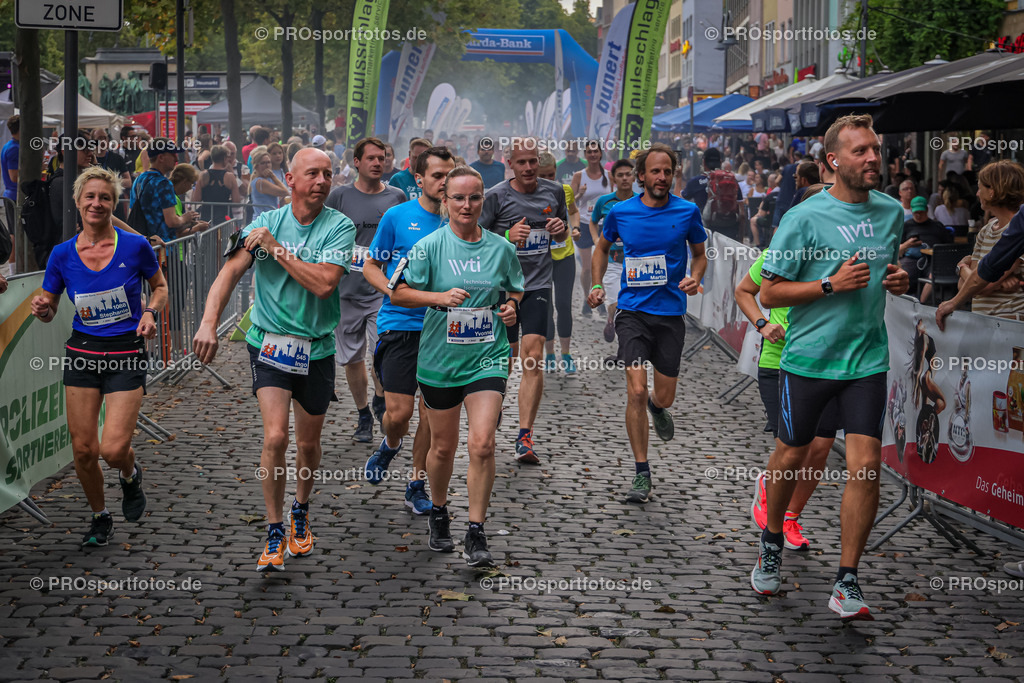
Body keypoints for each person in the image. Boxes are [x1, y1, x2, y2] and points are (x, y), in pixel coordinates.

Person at [752, 114, 910, 621]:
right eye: (860, 151)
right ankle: (772, 539)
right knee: (790, 458)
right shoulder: (804, 218)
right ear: (833, 161)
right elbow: (769, 290)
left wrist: (897, 279)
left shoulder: (891, 212)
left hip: (867, 360)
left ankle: (847, 581)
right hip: (808, 362)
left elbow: (883, 268)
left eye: (875, 150)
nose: (872, 159)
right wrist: (828, 285)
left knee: (866, 467)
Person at [193, 148, 356, 573]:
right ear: (290, 179)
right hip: (268, 344)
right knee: (275, 438)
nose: (322, 180)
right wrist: (209, 322)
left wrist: (278, 250)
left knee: (307, 443)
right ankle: (273, 527)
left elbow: (323, 284)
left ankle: (301, 509)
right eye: (313, 173)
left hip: (317, 346)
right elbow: (227, 275)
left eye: (327, 173)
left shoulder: (339, 227)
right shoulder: (261, 224)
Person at [391, 165, 524, 566]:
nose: (468, 205)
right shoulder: (429, 246)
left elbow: (515, 286)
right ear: (445, 201)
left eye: (475, 197)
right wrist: (436, 297)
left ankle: (476, 532)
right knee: (443, 446)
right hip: (440, 361)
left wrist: (511, 307)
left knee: (482, 442)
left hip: (487, 356)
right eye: (459, 198)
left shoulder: (501, 247)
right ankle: (438, 510)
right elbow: (397, 293)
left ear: (484, 199)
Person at [31, 166, 167, 547]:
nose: (97, 203)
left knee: (112, 449)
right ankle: (99, 516)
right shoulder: (61, 255)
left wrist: (150, 312)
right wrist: (42, 308)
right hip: (82, 354)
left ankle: (129, 474)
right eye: (90, 197)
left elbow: (159, 287)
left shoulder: (134, 246)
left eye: (104, 197)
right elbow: (51, 306)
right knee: (84, 450)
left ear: (113, 204)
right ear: (77, 203)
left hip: (125, 353)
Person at [588, 143, 707, 504]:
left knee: (662, 394)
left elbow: (700, 255)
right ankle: (642, 473)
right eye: (655, 171)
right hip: (632, 312)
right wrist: (596, 285)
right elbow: (601, 249)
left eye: (667, 172)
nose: (662, 177)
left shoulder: (687, 211)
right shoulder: (621, 212)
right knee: (636, 390)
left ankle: (659, 408)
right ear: (641, 176)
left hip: (670, 314)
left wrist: (694, 277)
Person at [736, 182, 839, 552]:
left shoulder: (840, 257)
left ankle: (792, 516)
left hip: (827, 363)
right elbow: (743, 291)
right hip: (779, 362)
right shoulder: (781, 252)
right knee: (795, 447)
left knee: (822, 446)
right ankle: (773, 499)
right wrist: (763, 325)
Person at [361, 146, 457, 513]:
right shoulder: (398, 216)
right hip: (401, 325)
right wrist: (392, 291)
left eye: (450, 174)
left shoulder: (460, 219)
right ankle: (390, 444)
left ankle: (415, 483)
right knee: (398, 415)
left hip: (445, 330)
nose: (445, 182)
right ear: (419, 180)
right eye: (437, 176)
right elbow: (371, 264)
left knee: (432, 414)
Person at [480, 137, 569, 464]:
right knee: (506, 359)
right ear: (511, 164)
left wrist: (560, 231)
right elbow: (473, 242)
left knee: (533, 356)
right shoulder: (496, 197)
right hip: (501, 289)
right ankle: (493, 406)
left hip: (538, 286)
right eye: (522, 162)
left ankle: (525, 435)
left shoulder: (554, 192)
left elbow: (561, 235)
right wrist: (505, 238)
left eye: (533, 161)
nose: (529, 168)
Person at [325, 137, 406, 442]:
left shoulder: (397, 197)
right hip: (345, 291)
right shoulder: (339, 196)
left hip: (381, 291)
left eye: (382, 158)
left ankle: (380, 398)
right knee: (351, 358)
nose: (377, 163)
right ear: (356, 162)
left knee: (380, 352)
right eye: (370, 158)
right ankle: (363, 414)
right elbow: (324, 233)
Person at [939, 161, 1024, 321]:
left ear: (992, 191)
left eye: (980, 188)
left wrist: (962, 267)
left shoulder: (1018, 230)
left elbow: (980, 285)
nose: (977, 193)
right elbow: (965, 286)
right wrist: (989, 283)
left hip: (1009, 323)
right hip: (983, 323)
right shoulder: (986, 229)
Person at [537, 152, 579, 375]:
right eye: (542, 176)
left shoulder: (565, 191)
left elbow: (573, 212)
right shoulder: (530, 195)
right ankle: (550, 354)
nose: (548, 180)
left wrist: (576, 227)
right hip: (541, 259)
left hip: (565, 256)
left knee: (563, 304)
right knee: (546, 307)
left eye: (551, 175)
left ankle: (567, 353)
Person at [590, 159, 638, 345]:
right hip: (611, 261)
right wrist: (597, 240)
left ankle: (625, 347)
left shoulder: (641, 202)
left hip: (634, 263)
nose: (625, 178)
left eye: (628, 174)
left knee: (630, 307)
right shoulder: (605, 201)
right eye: (620, 175)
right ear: (613, 178)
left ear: (634, 177)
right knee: (617, 305)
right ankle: (612, 320)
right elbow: (593, 221)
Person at [128, 139, 201, 244]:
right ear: (161, 157)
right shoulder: (163, 183)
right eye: (172, 154)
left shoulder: (139, 180)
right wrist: (186, 218)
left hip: (143, 244)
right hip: (163, 248)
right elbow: (172, 221)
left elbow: (132, 211)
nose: (176, 158)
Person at [570, 140, 610, 317]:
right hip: (586, 223)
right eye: (589, 152)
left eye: (595, 151)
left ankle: (600, 297)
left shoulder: (609, 175)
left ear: (600, 154)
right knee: (587, 267)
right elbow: (571, 202)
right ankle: (588, 298)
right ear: (585, 155)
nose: (592, 155)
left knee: (602, 265)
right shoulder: (579, 176)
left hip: (605, 224)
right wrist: (580, 194)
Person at [899, 196, 954, 296]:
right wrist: (908, 244)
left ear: (927, 210)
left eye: (921, 212)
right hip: (912, 258)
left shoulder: (937, 226)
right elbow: (898, 248)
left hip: (933, 260)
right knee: (902, 273)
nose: (918, 215)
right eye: (916, 212)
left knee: (933, 274)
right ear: (911, 211)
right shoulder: (907, 225)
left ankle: (922, 304)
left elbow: (948, 246)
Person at [193, 144, 242, 225]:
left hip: (206, 217)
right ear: (224, 158)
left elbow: (196, 198)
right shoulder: (230, 176)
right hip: (224, 217)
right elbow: (236, 200)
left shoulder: (203, 175)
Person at [250, 148, 290, 219]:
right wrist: (273, 176)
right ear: (256, 166)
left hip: (270, 217)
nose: (267, 165)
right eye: (263, 163)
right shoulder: (260, 182)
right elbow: (285, 192)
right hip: (263, 219)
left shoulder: (267, 179)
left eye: (269, 162)